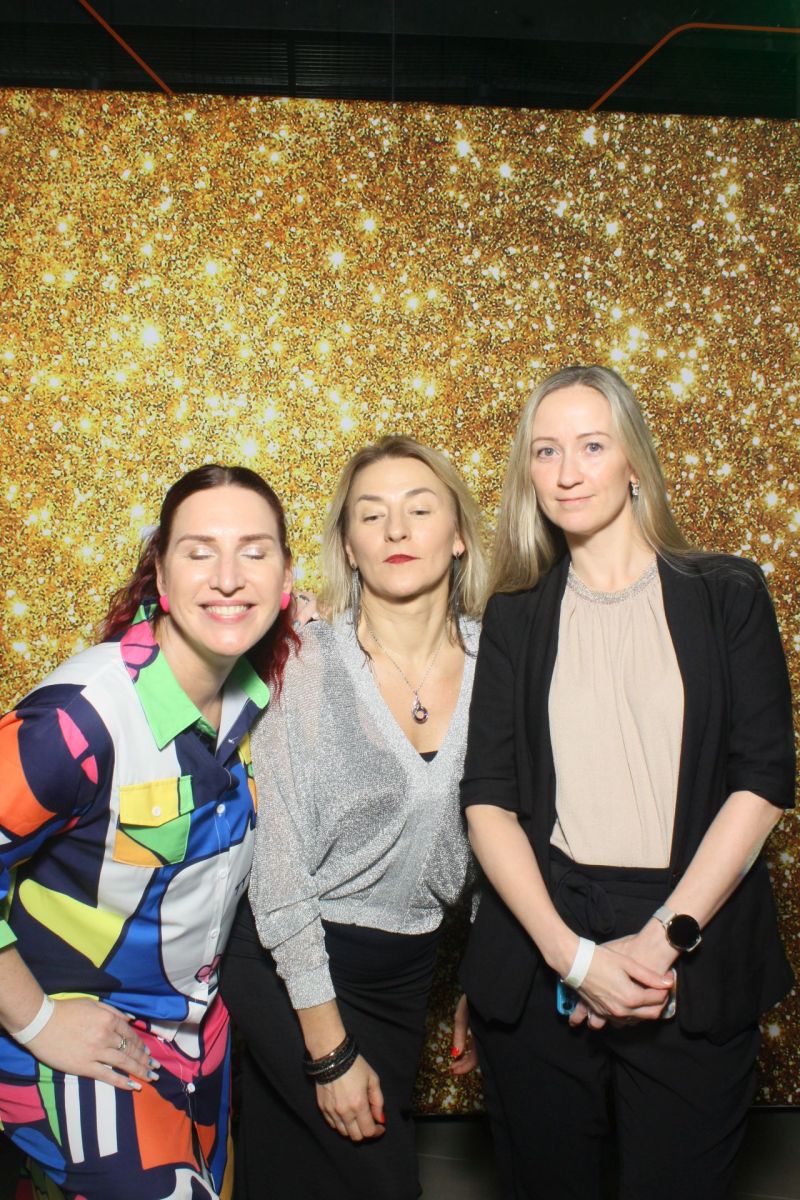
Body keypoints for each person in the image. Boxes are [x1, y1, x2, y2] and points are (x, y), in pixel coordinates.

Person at [459, 365, 795, 1200]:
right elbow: (488, 800)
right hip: (544, 941)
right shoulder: (515, 613)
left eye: (591, 446)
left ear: (634, 461)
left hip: (690, 938)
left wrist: (657, 943)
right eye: (546, 451)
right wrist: (574, 959)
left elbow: (761, 783)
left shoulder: (727, 593)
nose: (567, 472)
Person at [0, 464, 298, 1199]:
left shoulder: (265, 699)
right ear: (160, 575)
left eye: (254, 551)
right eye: (200, 551)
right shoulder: (82, 715)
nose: (228, 577)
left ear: (287, 579)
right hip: (82, 1042)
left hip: (201, 1046)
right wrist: (37, 1023)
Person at [221, 435, 487, 1200]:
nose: (396, 529)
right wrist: (329, 1050)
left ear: (458, 534)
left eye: (419, 509)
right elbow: (277, 872)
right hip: (286, 962)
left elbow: (509, 830)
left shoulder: (502, 662)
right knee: (377, 1177)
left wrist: (487, 974)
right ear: (348, 545)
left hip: (405, 977)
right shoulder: (301, 662)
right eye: (371, 515)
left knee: (292, 1177)